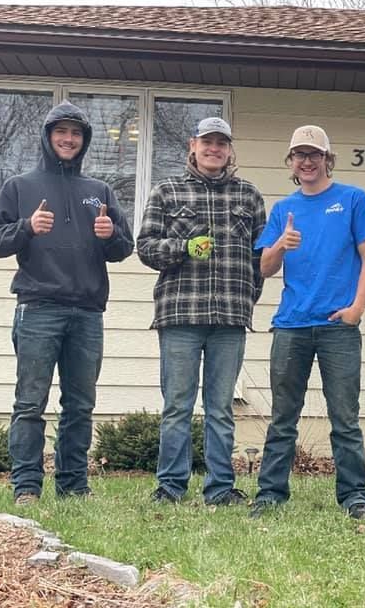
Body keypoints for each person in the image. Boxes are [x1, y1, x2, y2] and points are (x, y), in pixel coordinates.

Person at [0, 101, 134, 504]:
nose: (68, 139)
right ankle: (27, 488)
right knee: (30, 403)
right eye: (61, 132)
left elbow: (124, 248)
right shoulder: (19, 186)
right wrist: (27, 227)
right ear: (48, 138)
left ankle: (74, 487)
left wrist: (110, 235)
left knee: (80, 406)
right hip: (38, 309)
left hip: (87, 312)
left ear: (83, 142)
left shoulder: (98, 191)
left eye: (76, 134)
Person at [251, 125, 365, 520]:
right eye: (299, 155)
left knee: (344, 417)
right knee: (283, 417)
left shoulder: (353, 199)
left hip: (337, 326)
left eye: (314, 154)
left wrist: (357, 307)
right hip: (291, 325)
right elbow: (265, 268)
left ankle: (354, 497)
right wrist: (280, 244)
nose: (307, 162)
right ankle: (270, 495)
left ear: (328, 159)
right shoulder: (282, 211)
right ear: (291, 162)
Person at [137, 116, 266, 505]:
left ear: (230, 150)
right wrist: (181, 248)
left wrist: (247, 298)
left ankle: (220, 489)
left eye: (221, 143)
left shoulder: (249, 196)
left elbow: (261, 258)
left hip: (230, 318)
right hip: (180, 316)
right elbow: (144, 247)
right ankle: (170, 487)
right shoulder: (167, 191)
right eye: (207, 142)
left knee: (221, 408)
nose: (214, 149)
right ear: (192, 145)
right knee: (177, 405)